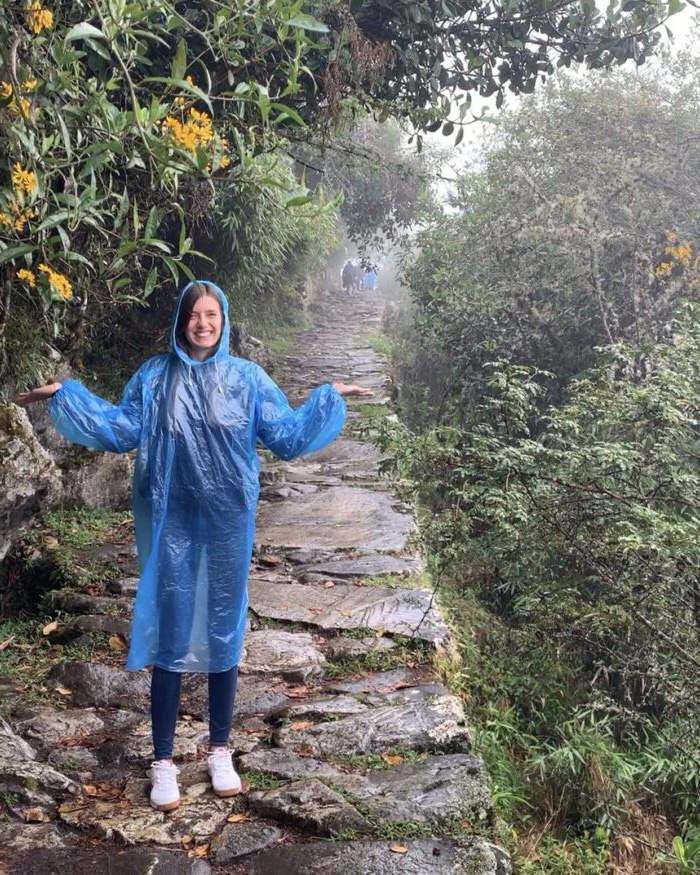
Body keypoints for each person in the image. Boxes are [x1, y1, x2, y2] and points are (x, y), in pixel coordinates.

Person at [15, 280, 373, 811]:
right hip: (171, 520)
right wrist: (68, 396)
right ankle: (163, 761)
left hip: (228, 519)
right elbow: (121, 427)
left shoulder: (247, 379)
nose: (203, 324)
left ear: (224, 320)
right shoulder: (155, 376)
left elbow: (285, 434)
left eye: (212, 314)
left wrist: (326, 399)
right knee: (173, 630)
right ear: (180, 321)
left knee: (223, 627)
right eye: (193, 315)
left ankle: (219, 750)